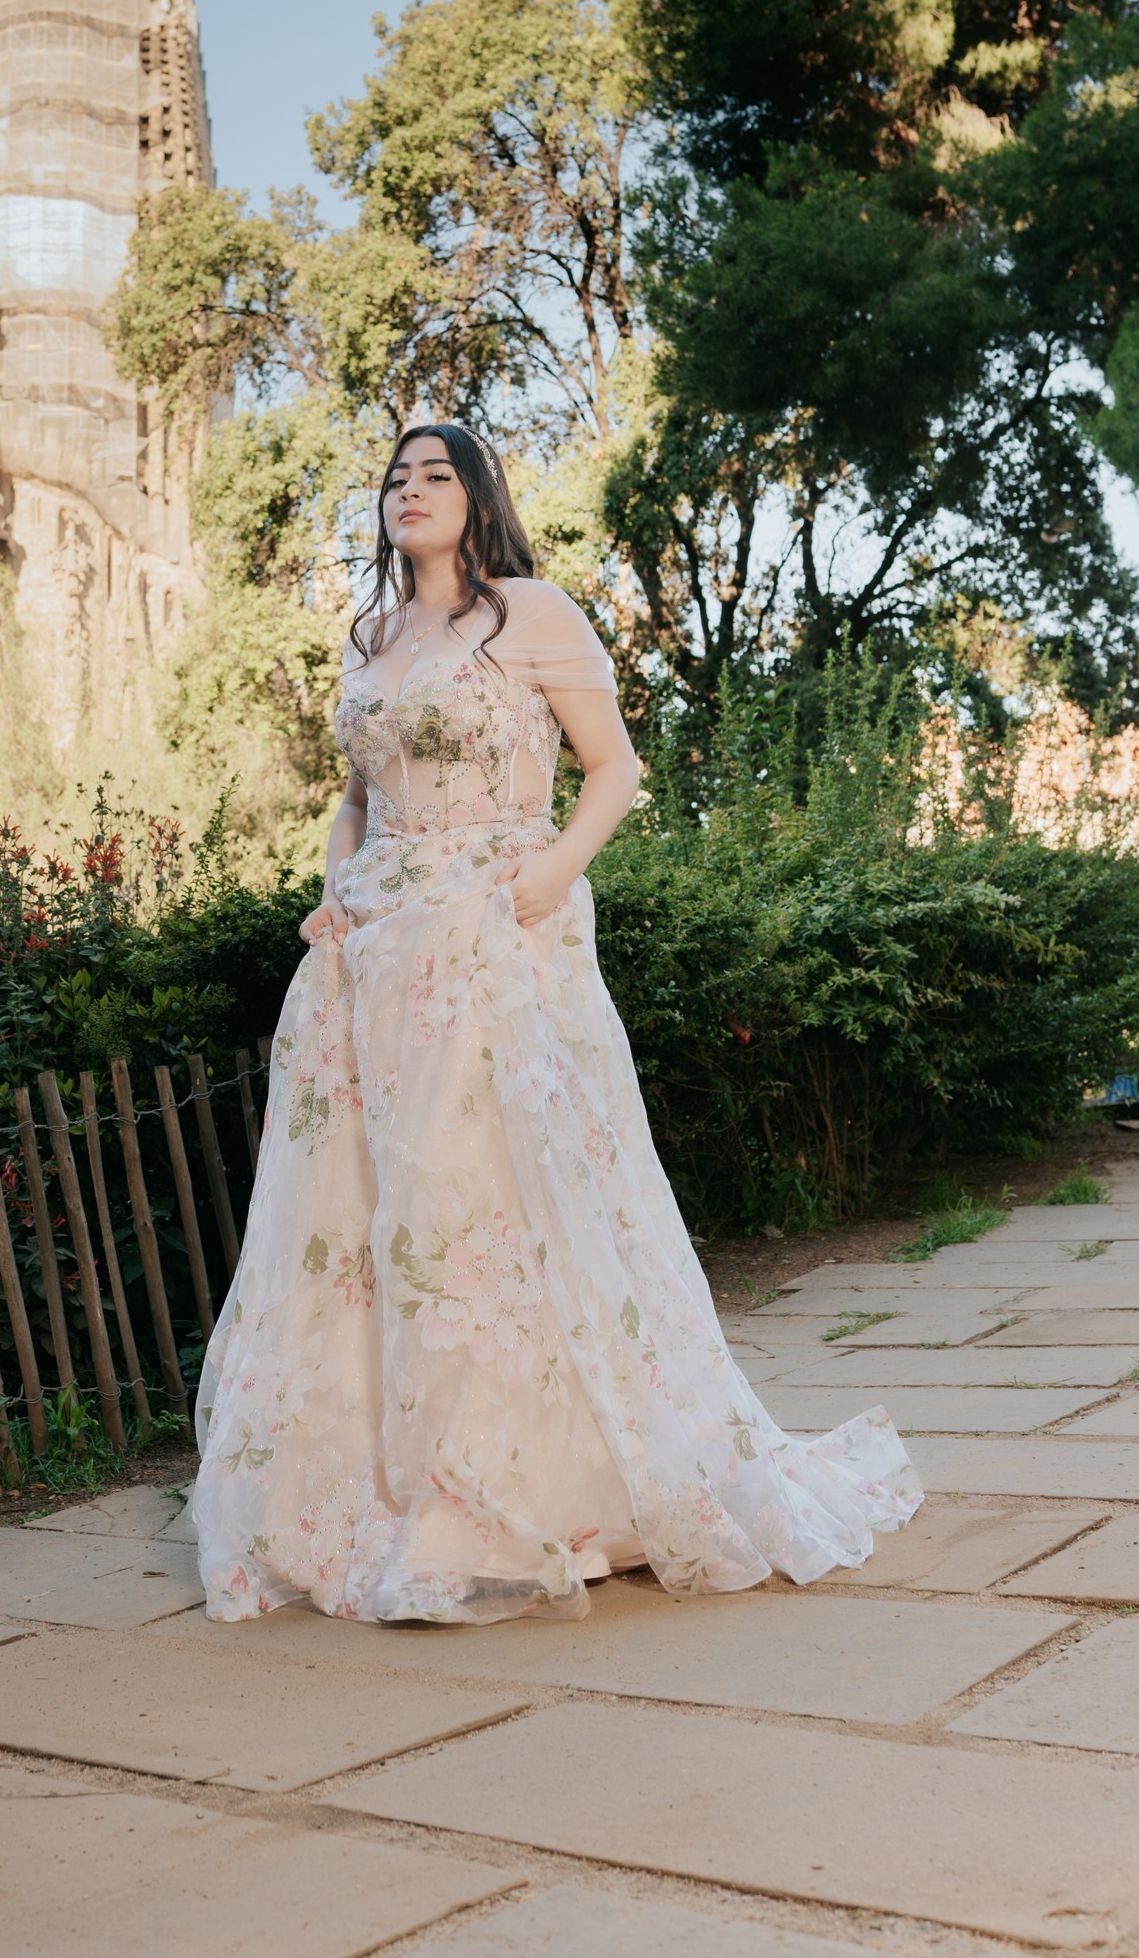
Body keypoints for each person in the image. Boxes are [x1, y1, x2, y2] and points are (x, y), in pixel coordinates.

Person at [191, 422, 921, 1624]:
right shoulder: (372, 638)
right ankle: (383, 1487)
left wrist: (552, 873)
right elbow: (354, 795)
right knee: (359, 1211)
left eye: (435, 476)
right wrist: (335, 888)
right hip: (371, 954)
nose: (409, 492)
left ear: (477, 500)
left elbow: (616, 768)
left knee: (481, 1198)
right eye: (394, 478)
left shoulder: (531, 612)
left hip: (493, 937)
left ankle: (513, 1493)